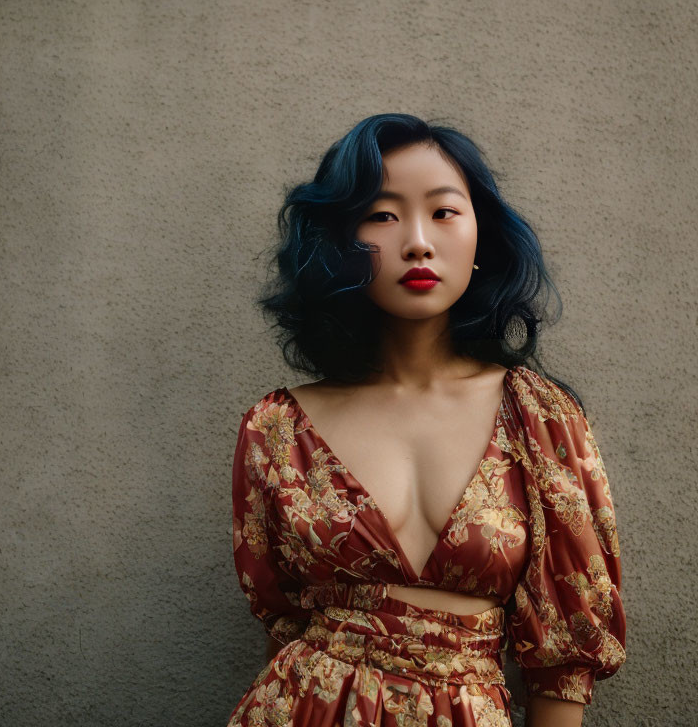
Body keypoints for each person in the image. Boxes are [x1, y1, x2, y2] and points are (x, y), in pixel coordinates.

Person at [227, 114, 626, 727]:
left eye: (443, 212)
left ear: (480, 237)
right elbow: (281, 626)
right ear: (340, 244)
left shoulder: (540, 419)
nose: (417, 241)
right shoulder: (278, 428)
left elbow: (563, 659)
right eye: (382, 215)